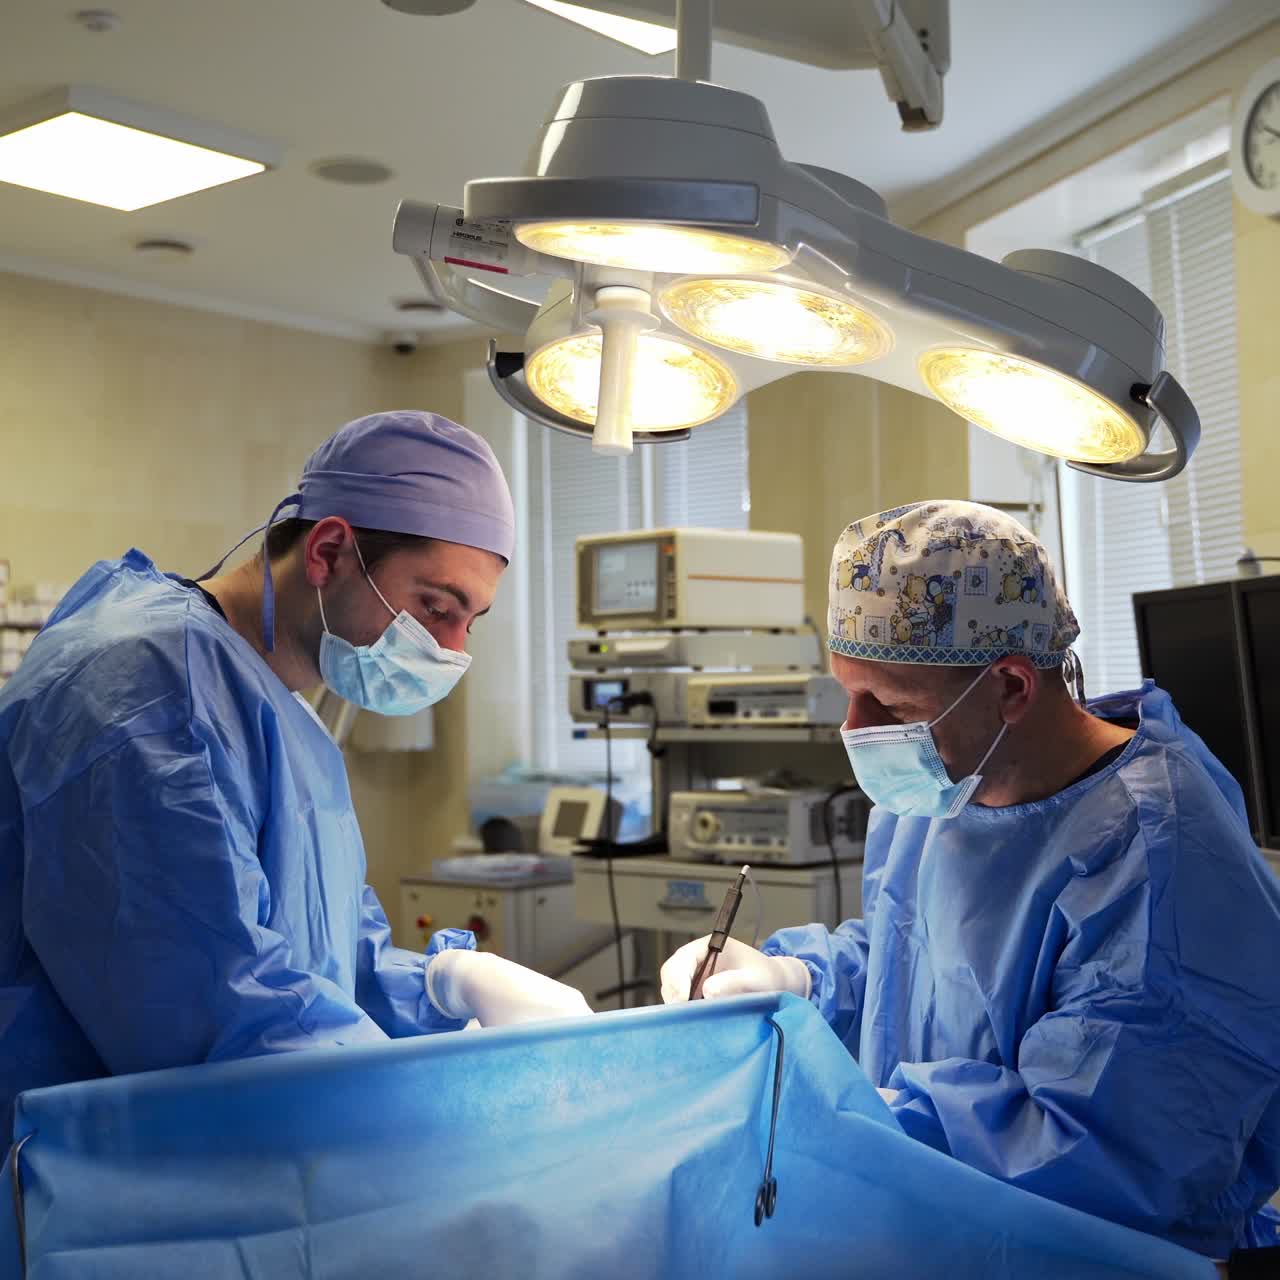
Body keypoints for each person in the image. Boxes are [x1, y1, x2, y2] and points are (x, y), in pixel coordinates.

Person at [661, 500, 1280, 1260]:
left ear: (1013, 686)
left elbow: (1101, 1149)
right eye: (846, 693)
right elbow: (910, 954)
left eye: (885, 703)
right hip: (929, 1217)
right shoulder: (943, 786)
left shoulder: (1157, 854)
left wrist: (845, 1116)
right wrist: (797, 979)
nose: (854, 731)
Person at [0, 410, 589, 1137]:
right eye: (436, 607)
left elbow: (330, 952)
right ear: (329, 550)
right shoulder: (146, 691)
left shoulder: (284, 716)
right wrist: (436, 1117)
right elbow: (216, 1004)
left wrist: (446, 988)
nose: (451, 650)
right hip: (96, 1194)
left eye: (472, 621)